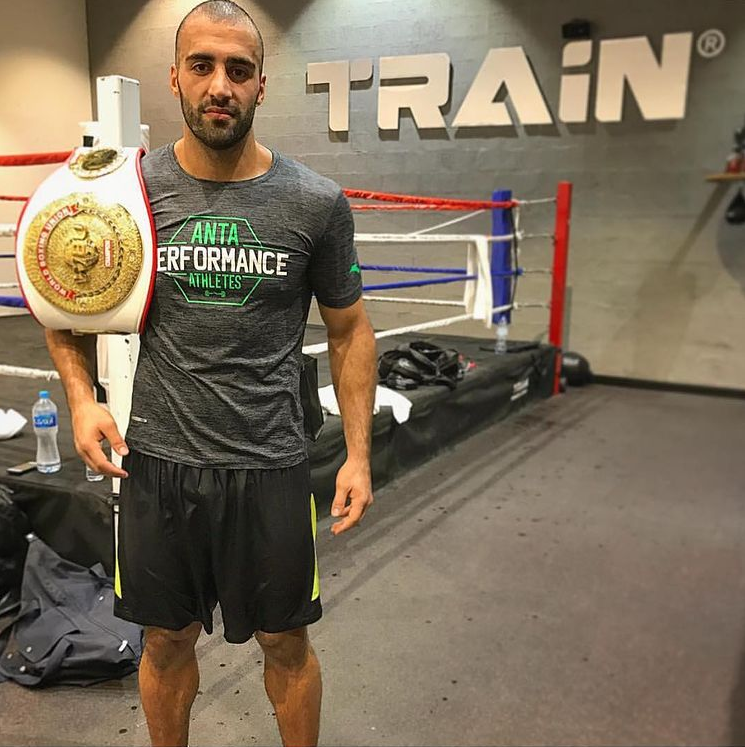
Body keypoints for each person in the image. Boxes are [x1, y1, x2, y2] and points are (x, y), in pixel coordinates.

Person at [45, 2, 377, 745]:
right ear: (175, 78)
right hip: (159, 464)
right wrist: (81, 399)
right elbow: (60, 299)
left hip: (271, 464)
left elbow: (350, 328)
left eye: (238, 69)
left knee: (285, 643)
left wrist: (358, 453)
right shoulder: (125, 193)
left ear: (262, 84)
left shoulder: (316, 203)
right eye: (202, 65)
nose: (219, 85)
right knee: (165, 641)